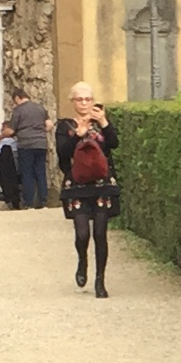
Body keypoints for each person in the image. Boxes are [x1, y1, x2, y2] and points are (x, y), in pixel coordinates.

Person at [58, 84, 116, 295]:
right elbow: (62, 153)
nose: (84, 103)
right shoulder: (65, 126)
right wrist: (78, 134)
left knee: (100, 233)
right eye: (79, 99)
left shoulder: (101, 123)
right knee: (82, 234)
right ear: (72, 102)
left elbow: (114, 144)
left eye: (88, 99)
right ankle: (82, 260)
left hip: (101, 185)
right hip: (77, 186)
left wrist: (104, 123)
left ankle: (100, 281)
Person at [9, 87, 52, 210]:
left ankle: (29, 202)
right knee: (40, 172)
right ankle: (43, 201)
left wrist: (1, 136)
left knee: (27, 173)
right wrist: (41, 132)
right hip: (41, 143)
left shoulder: (18, 110)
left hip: (26, 144)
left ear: (17, 98)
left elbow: (11, 129)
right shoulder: (40, 107)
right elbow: (49, 124)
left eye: (15, 101)